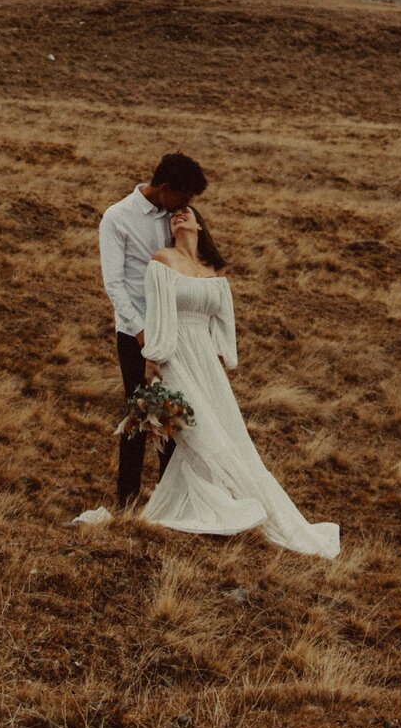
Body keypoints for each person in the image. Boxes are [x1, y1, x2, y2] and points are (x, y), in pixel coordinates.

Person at [135, 205, 339, 558]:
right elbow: (158, 313)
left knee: (226, 432)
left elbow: (222, 325)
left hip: (207, 363)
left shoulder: (214, 271)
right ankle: (228, 505)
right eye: (173, 215)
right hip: (176, 357)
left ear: (200, 224)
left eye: (186, 213)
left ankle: (221, 503)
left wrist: (221, 357)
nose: (178, 216)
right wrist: (152, 358)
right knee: (200, 433)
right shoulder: (162, 259)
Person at [98, 152, 208, 508]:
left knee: (174, 415)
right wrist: (141, 331)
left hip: (176, 331)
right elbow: (115, 285)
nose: (187, 206)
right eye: (183, 197)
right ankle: (126, 500)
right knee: (138, 415)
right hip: (135, 334)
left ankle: (169, 500)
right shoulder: (117, 218)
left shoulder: (179, 216)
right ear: (164, 188)